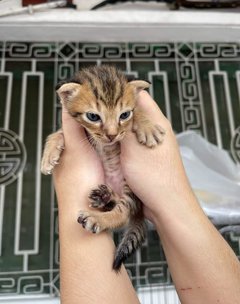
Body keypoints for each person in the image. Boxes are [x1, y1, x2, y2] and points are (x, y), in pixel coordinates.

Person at [53, 91, 240, 304]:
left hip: (115, 183)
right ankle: (167, 198)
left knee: (96, 198)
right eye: (95, 117)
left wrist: (73, 198)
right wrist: (173, 192)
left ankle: (84, 202)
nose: (112, 131)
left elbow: (135, 113)